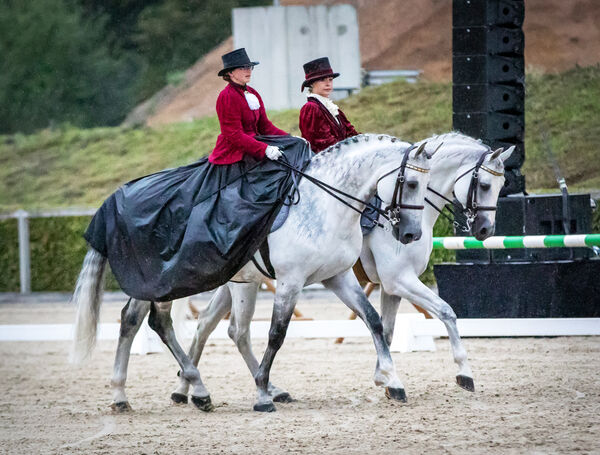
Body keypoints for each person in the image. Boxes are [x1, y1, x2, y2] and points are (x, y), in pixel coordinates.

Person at [210, 48, 288, 164]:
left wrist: (289, 138)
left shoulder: (253, 93)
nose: (248, 71)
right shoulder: (227, 96)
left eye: (249, 67)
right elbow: (234, 135)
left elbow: (265, 126)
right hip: (234, 154)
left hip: (254, 145)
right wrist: (264, 149)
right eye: (242, 68)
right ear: (230, 73)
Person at [298, 57, 360, 153]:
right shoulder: (311, 108)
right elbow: (322, 143)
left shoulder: (332, 108)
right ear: (311, 84)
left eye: (330, 80)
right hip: (324, 164)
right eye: (323, 80)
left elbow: (351, 133)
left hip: (343, 159)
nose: (328, 84)